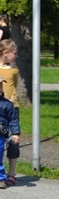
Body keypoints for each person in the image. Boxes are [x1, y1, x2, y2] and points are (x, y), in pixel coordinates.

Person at [0, 40, 20, 186]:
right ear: (5, 53)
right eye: (15, 53)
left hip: (11, 107)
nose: (16, 56)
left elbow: (14, 86)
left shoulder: (14, 70)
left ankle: (12, 172)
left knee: (13, 141)